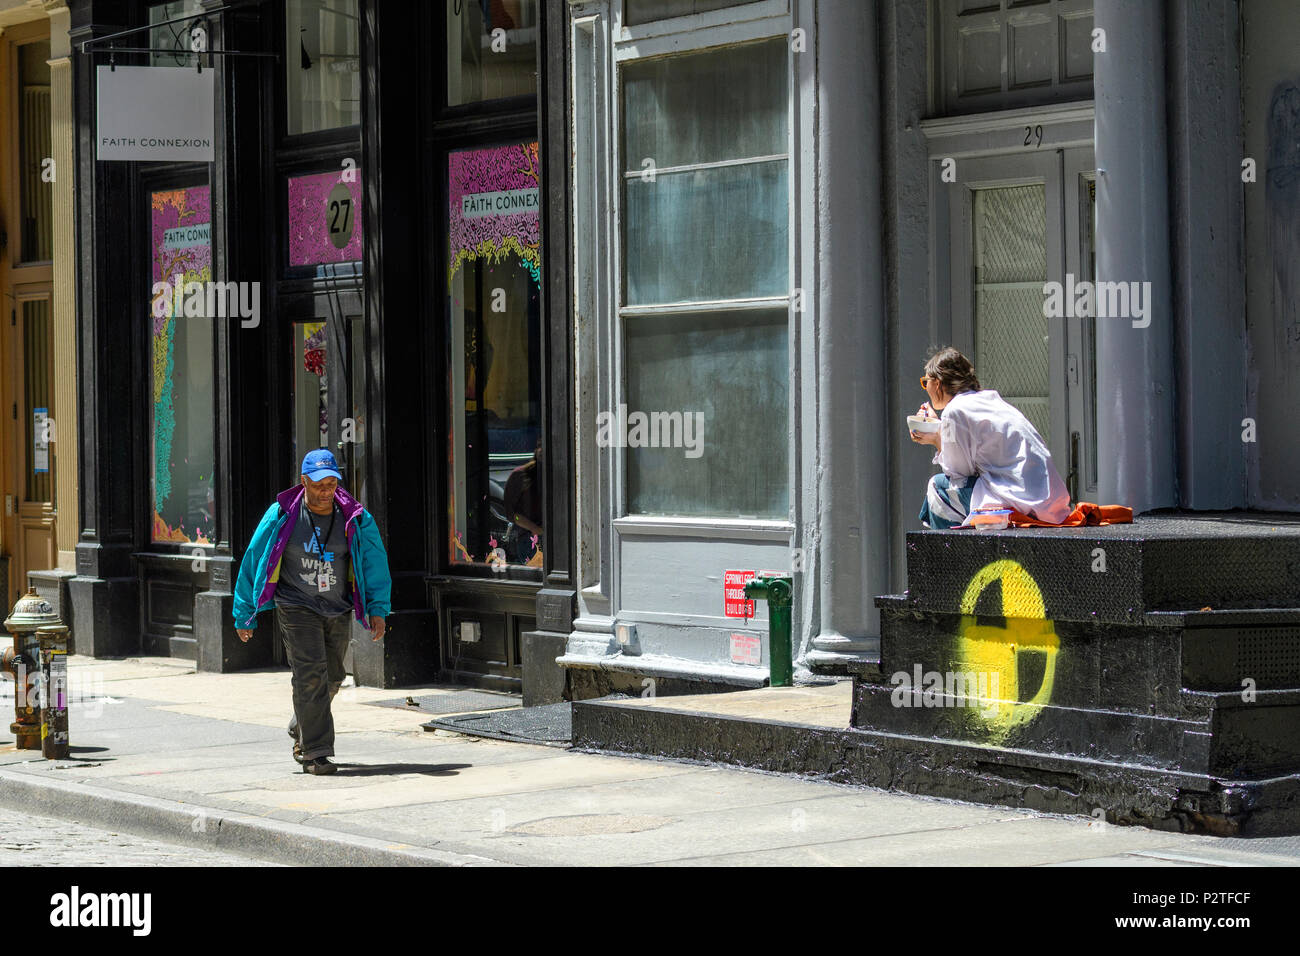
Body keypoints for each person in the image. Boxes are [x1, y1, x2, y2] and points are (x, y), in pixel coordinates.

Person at [233, 449, 392, 774]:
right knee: (310, 675)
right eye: (319, 484)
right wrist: (244, 611)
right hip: (296, 604)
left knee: (333, 676)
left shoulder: (356, 517)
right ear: (303, 481)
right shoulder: (282, 514)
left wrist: (377, 609)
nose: (325, 491)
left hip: (337, 606)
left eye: (331, 484)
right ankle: (315, 752)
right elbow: (254, 558)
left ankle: (301, 725)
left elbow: (374, 563)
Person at [909, 347, 1070, 529]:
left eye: (925, 382)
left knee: (937, 489)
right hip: (1046, 499)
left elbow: (957, 474)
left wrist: (936, 439)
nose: (925, 388)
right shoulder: (989, 400)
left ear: (937, 383)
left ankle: (950, 555)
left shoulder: (954, 411)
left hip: (1019, 499)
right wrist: (940, 431)